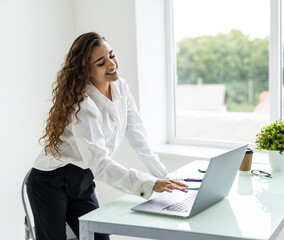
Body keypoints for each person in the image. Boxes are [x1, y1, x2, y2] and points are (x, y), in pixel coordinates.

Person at [26, 32, 188, 240]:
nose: (112, 64)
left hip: (83, 177)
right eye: (101, 62)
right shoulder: (83, 106)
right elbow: (101, 164)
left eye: (112, 55)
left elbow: (137, 135)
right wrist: (148, 183)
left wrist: (164, 177)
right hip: (50, 181)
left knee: (100, 237)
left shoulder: (121, 87)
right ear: (86, 71)